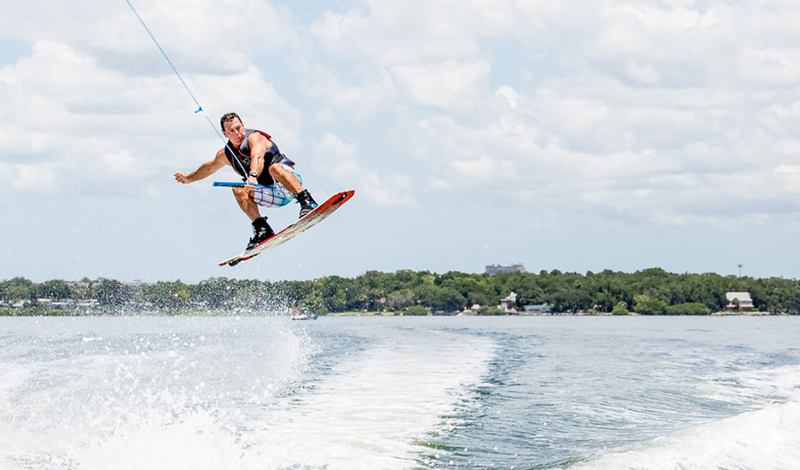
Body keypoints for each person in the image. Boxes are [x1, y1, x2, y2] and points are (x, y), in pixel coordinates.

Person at [174, 112, 318, 250]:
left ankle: (307, 201)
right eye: (231, 131)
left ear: (243, 125)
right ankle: (262, 229)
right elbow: (208, 168)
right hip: (272, 195)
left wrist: (253, 176)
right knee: (238, 188)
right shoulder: (225, 154)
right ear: (225, 134)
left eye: (239, 128)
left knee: (274, 169)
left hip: (289, 185)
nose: (237, 133)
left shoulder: (255, 138)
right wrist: (189, 178)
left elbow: (258, 157)